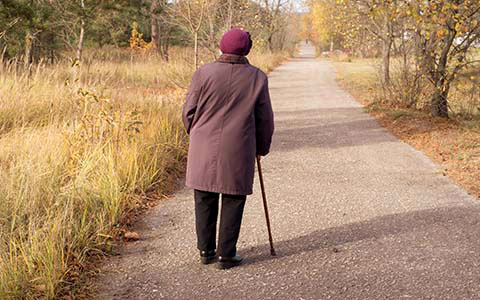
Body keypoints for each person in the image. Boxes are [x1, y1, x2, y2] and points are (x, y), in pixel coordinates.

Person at [182, 28, 274, 270]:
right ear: (247, 50)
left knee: (204, 196)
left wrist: (196, 132)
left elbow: (188, 111)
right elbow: (264, 119)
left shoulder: (203, 73)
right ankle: (226, 255)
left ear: (222, 46)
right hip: (238, 146)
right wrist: (262, 147)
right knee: (233, 198)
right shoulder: (257, 77)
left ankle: (206, 251)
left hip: (203, 144)